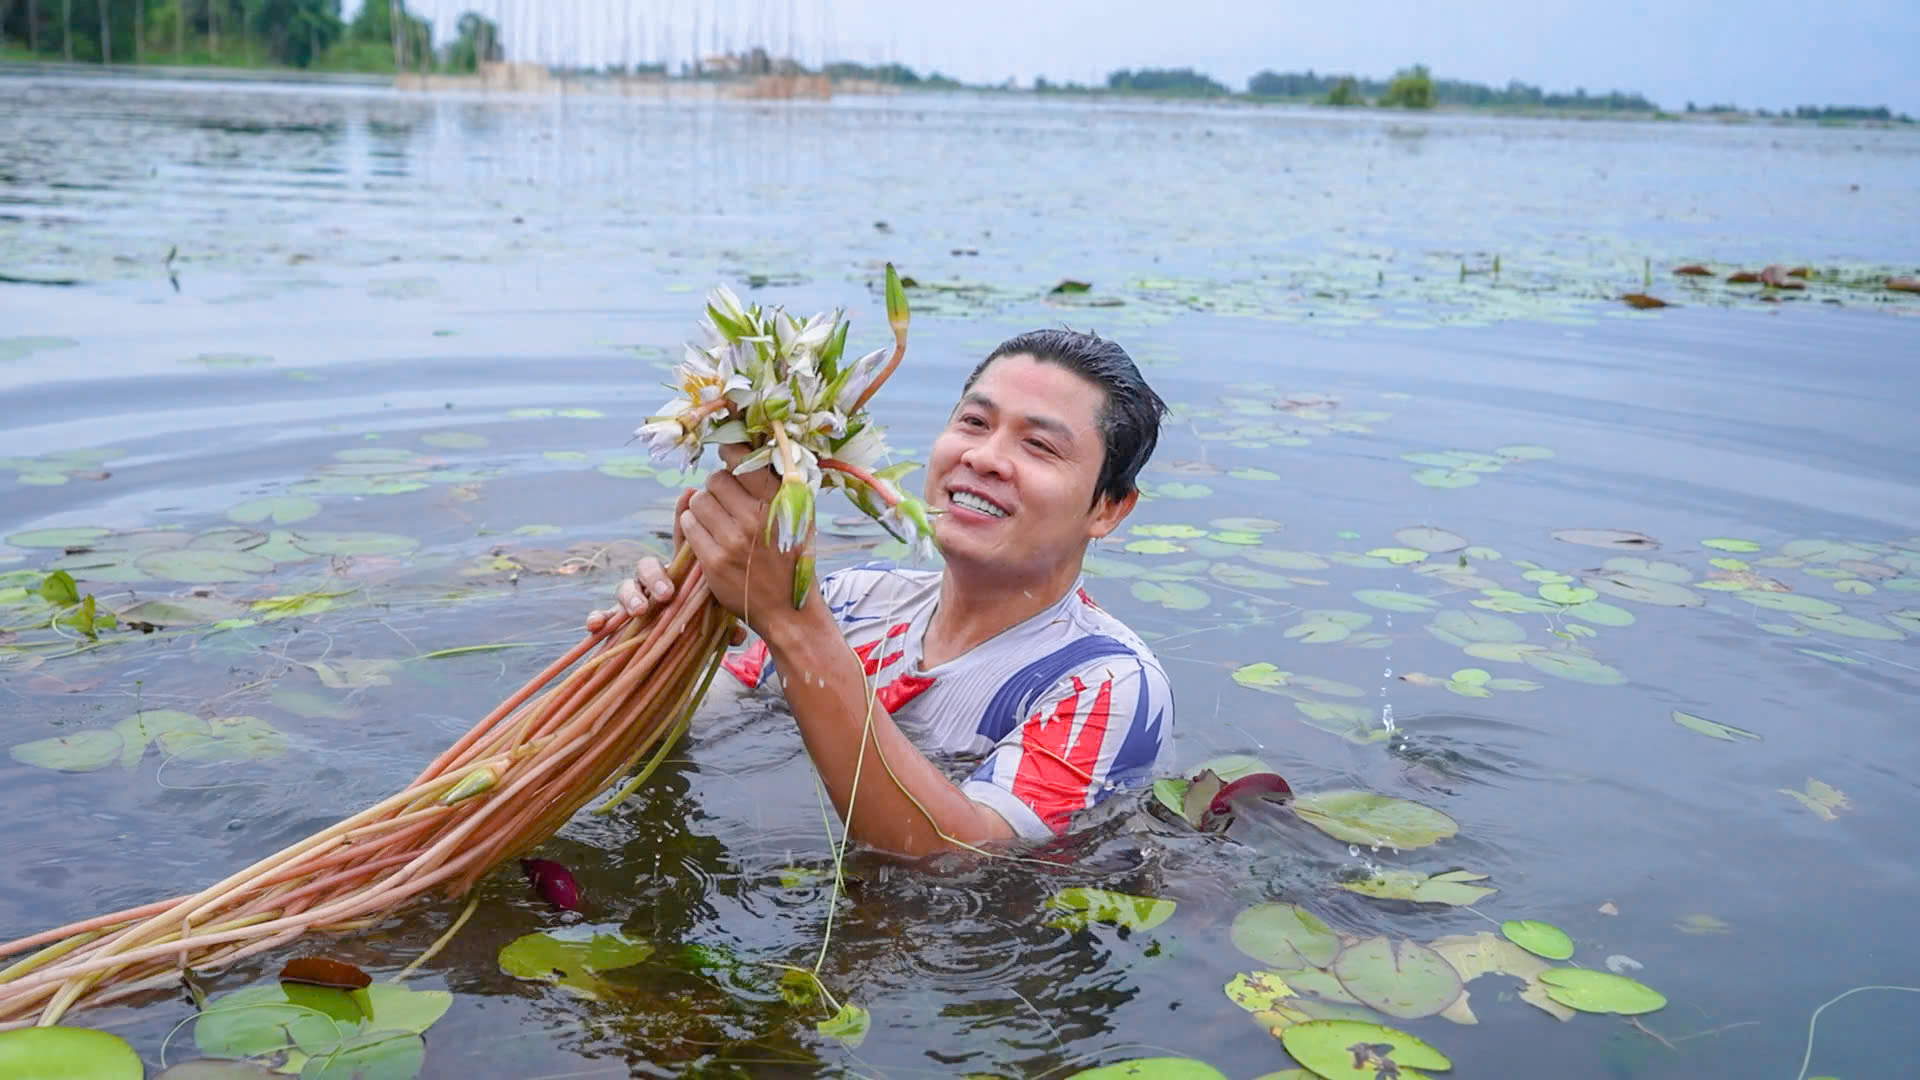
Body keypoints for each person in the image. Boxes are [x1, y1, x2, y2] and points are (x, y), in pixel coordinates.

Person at [586, 329, 1174, 857]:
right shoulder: (852, 599)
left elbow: (956, 854)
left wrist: (791, 622)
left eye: (1039, 446)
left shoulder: (1105, 684)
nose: (984, 457)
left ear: (1108, 508)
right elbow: (686, 727)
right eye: (974, 423)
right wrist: (669, 633)